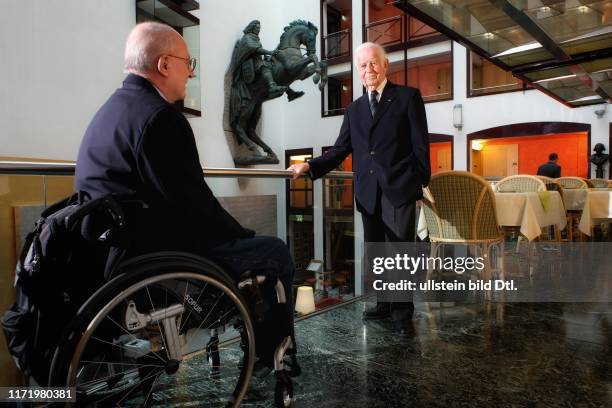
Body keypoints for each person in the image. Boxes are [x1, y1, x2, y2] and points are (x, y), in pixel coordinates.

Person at [75, 22, 295, 371]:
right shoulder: (161, 118)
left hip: (111, 247)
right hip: (155, 248)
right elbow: (194, 204)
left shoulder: (110, 112)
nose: (190, 74)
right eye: (187, 63)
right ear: (164, 65)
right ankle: (271, 354)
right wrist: (241, 235)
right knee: (274, 252)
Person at [288, 42, 430, 334]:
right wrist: (310, 166)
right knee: (377, 252)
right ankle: (384, 304)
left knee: (400, 253)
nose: (369, 70)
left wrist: (418, 182)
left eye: (374, 63)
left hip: (399, 189)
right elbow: (340, 150)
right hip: (368, 192)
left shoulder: (406, 97)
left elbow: (420, 146)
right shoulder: (354, 110)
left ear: (385, 64)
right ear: (357, 70)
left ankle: (402, 313)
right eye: (363, 65)